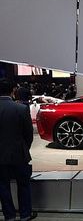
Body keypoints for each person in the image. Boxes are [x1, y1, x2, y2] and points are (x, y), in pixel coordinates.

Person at [0, 79, 37, 221]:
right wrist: (24, 148)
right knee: (23, 185)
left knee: (3, 186)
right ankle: (25, 215)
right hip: (19, 154)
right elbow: (29, 134)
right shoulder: (21, 109)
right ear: (13, 91)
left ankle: (9, 216)